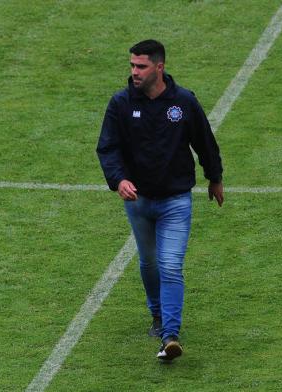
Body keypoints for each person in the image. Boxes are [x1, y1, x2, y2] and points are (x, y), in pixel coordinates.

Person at [96, 39, 223, 361]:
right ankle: (157, 314)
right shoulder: (121, 104)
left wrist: (215, 177)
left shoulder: (183, 102)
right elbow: (108, 148)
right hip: (138, 201)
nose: (134, 72)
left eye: (141, 66)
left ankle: (170, 334)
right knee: (149, 264)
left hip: (176, 200)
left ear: (159, 67)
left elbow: (204, 142)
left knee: (169, 266)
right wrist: (119, 180)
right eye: (132, 66)